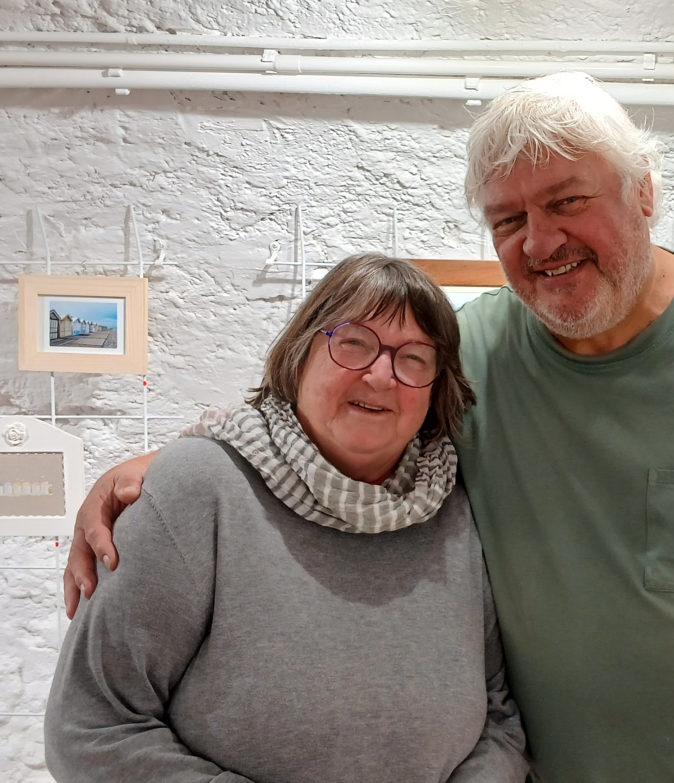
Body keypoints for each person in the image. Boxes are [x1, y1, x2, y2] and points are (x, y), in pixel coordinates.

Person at [63, 73, 674, 782]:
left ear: (645, 191)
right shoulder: (472, 356)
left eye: (567, 201)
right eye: (509, 219)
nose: (540, 240)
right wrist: (169, 464)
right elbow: (335, 417)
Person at [45, 253, 529, 783]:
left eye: (414, 358)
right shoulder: (198, 490)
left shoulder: (452, 504)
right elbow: (91, 729)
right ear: (300, 356)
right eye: (354, 342)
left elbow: (499, 714)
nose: (380, 375)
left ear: (437, 387)